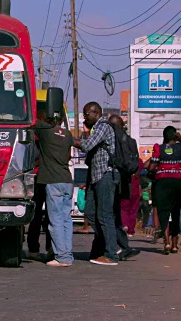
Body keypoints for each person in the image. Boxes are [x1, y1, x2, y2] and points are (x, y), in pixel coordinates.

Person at [75, 102, 119, 266]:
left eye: (86, 114)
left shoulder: (103, 126)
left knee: (105, 215)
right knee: (90, 211)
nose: (85, 118)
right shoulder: (95, 129)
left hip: (105, 175)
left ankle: (111, 254)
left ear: (96, 112)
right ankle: (104, 245)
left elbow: (86, 146)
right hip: (95, 177)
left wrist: (68, 139)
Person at [34, 107, 75, 267]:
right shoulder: (68, 135)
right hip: (67, 180)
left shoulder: (46, 132)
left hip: (53, 181)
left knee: (55, 220)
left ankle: (62, 257)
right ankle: (67, 255)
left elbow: (31, 119)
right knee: (66, 219)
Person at [149, 126, 181, 254]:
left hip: (163, 182)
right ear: (175, 136)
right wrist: (180, 140)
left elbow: (152, 166)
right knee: (176, 211)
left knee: (163, 211)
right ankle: (175, 245)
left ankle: (166, 243)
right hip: (178, 181)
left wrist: (157, 168)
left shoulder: (158, 148)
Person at [107, 114, 140, 260]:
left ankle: (113, 247)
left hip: (113, 181)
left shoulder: (112, 140)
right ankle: (123, 246)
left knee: (107, 215)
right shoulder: (131, 141)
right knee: (117, 216)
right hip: (126, 183)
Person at [26, 108, 52, 260]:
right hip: (45, 177)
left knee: (36, 215)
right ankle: (49, 247)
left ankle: (34, 248)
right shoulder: (49, 136)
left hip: (37, 177)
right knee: (49, 216)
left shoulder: (34, 137)